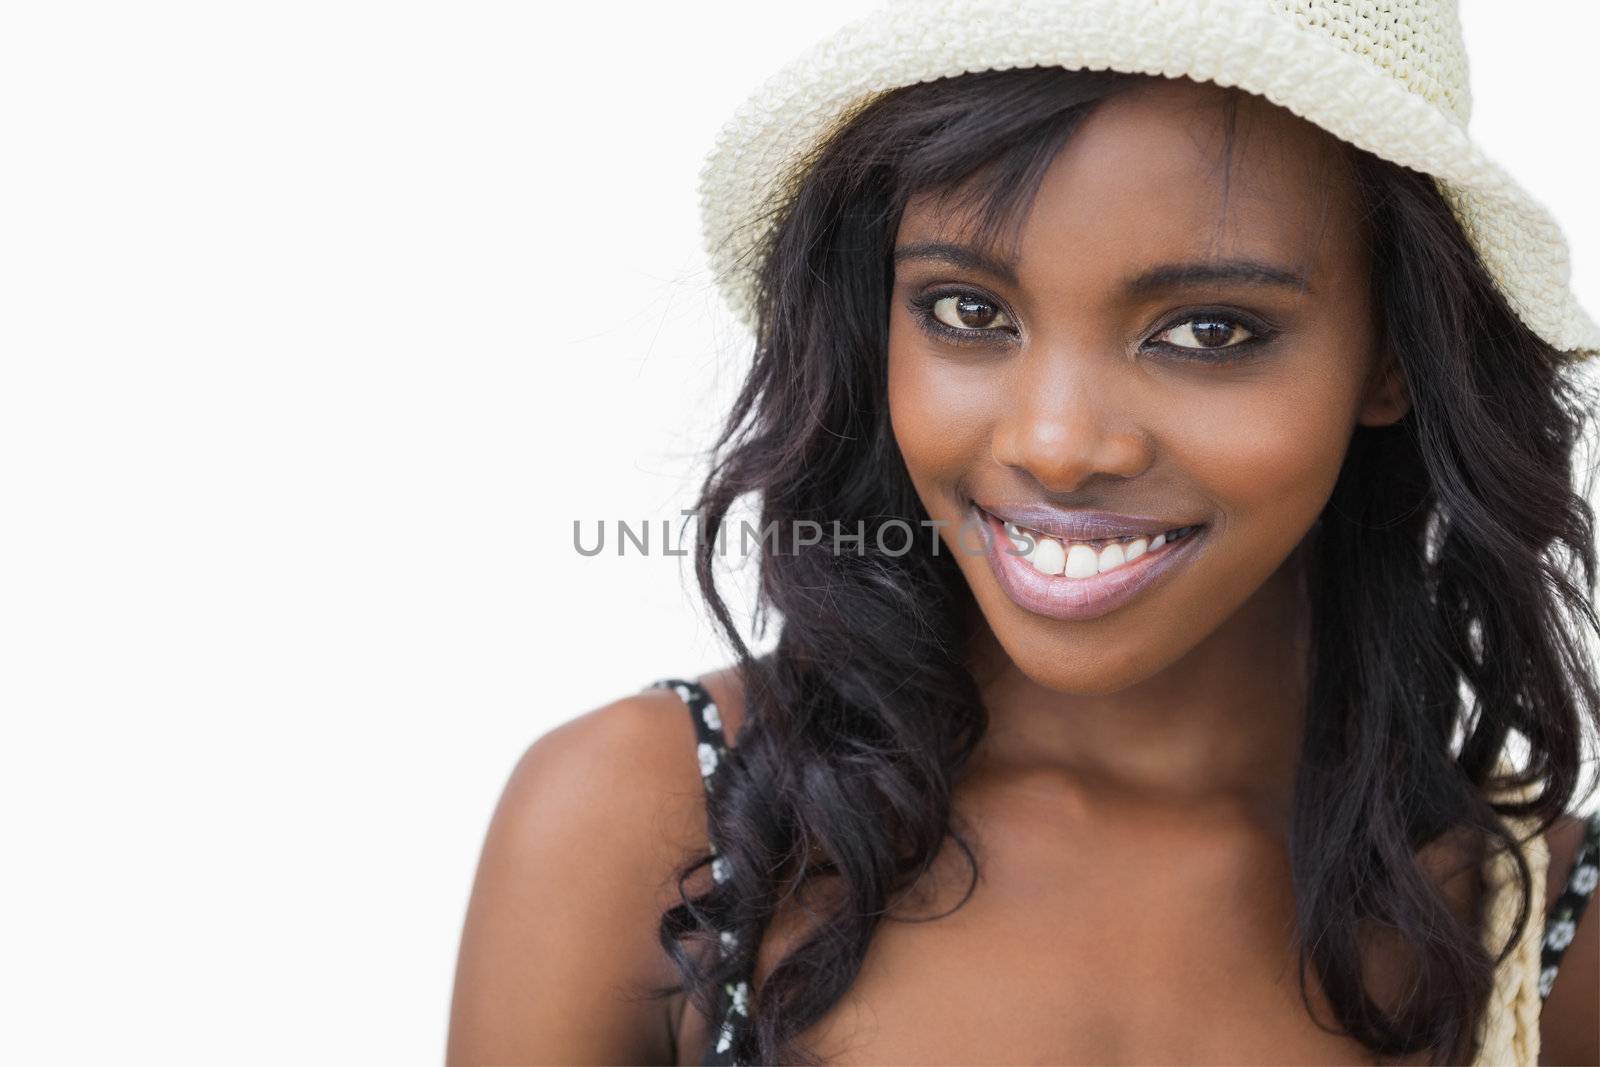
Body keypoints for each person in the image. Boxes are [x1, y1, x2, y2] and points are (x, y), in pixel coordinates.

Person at [448, 3, 1600, 1064]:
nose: (1055, 444)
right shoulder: (649, 828)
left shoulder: (1546, 940)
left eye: (1208, 329)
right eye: (967, 310)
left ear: (1395, 348)